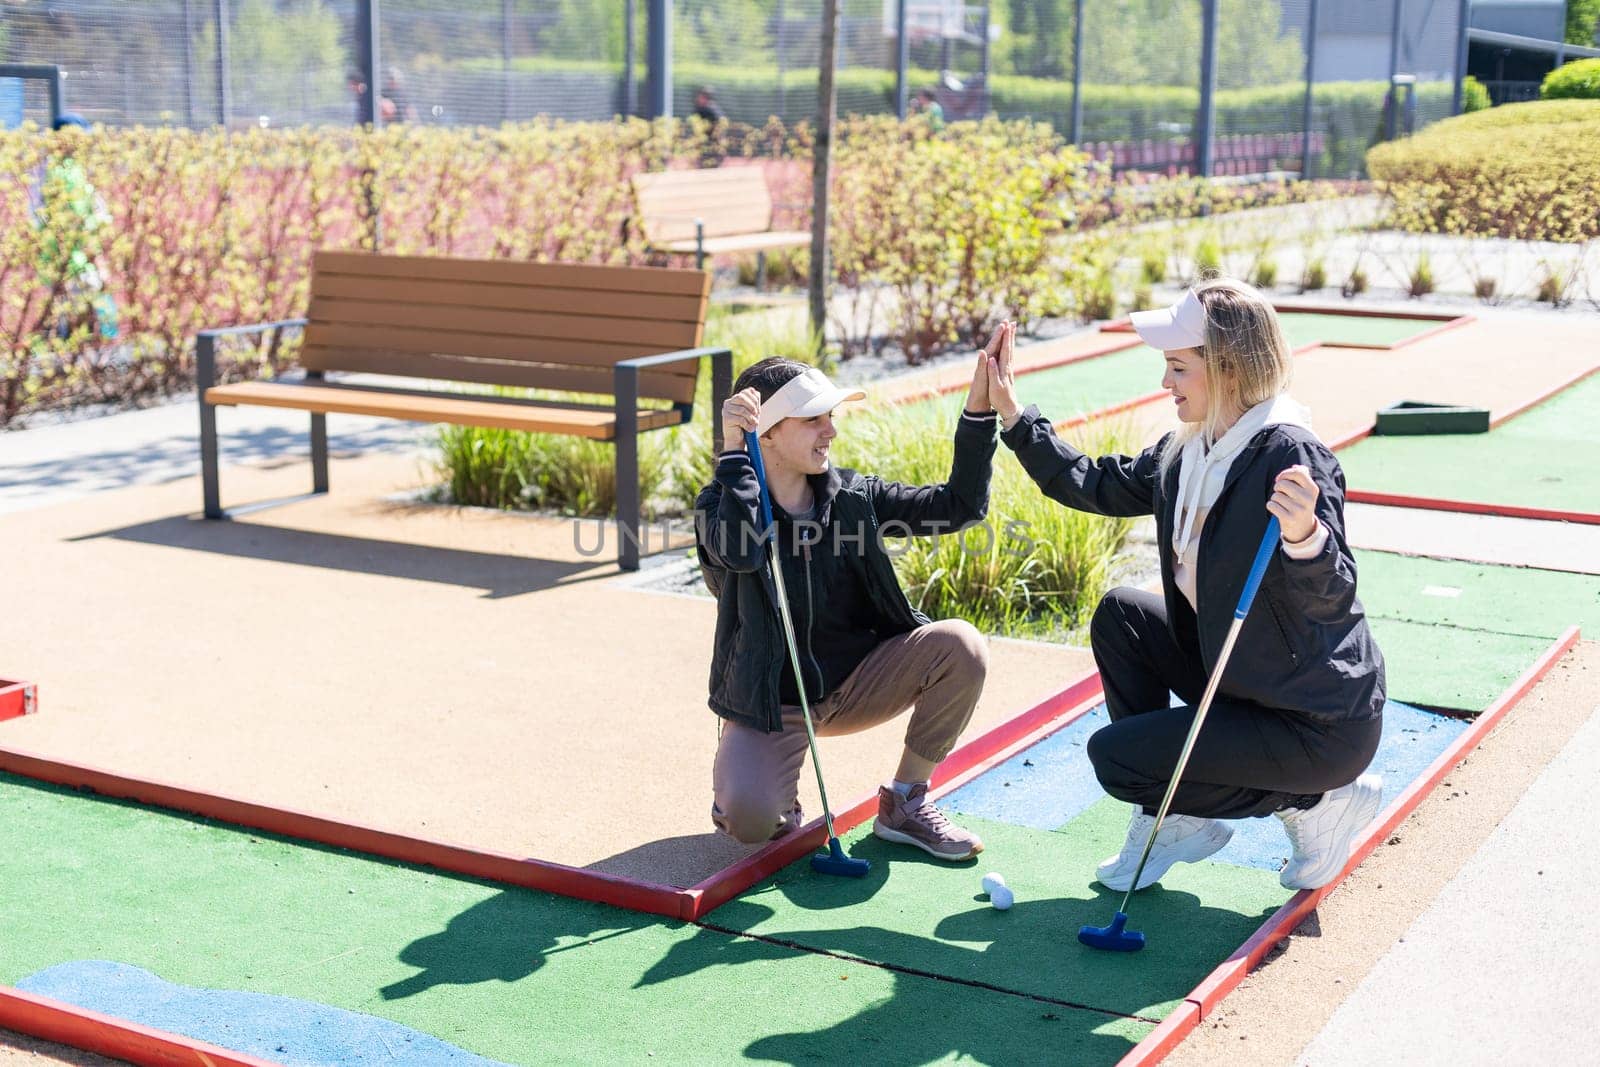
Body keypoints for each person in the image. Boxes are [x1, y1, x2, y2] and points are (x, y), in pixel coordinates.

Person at [983, 279, 1385, 892]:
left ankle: (1316, 803)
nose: (1166, 383)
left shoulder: (1290, 455)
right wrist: (1014, 417)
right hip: (1243, 680)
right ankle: (1172, 813)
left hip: (1314, 722)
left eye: (1178, 368)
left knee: (1115, 757)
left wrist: (1305, 534)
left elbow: (1333, 599)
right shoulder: (1189, 449)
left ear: (1227, 368)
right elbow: (1090, 484)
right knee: (1123, 614)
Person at [696, 341, 1004, 861]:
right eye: (813, 420)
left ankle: (905, 802)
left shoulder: (854, 497)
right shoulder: (719, 505)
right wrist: (734, 453)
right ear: (766, 433)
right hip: (774, 704)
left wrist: (980, 410)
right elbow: (742, 551)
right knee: (750, 823)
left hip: (861, 681)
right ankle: (762, 776)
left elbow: (959, 506)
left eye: (831, 417)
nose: (831, 431)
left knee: (960, 646)